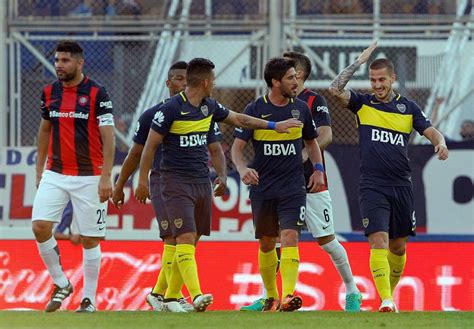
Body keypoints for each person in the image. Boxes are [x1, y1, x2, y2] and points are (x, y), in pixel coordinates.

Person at [135, 57, 302, 312]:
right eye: (213, 80)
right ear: (204, 81)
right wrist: (141, 180)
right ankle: (193, 295)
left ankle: (164, 295)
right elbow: (149, 147)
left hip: (200, 179)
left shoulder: (208, 106)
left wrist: (273, 126)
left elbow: (241, 120)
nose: (215, 83)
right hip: (174, 180)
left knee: (193, 238)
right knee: (185, 236)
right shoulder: (169, 109)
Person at [328, 42, 448, 312]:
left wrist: (440, 144)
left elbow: (431, 131)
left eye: (381, 80)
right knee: (377, 240)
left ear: (393, 79)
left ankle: (389, 296)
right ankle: (386, 299)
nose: (377, 85)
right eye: (372, 80)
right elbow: (334, 89)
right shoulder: (362, 103)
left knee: (398, 247)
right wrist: (358, 63)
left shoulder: (409, 108)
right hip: (372, 185)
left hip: (401, 186)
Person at [112, 61, 226, 312]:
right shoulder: (153, 114)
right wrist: (122, 184)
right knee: (174, 238)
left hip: (194, 179)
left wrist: (221, 174)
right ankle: (174, 297)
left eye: (186, 79)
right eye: (177, 78)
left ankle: (160, 294)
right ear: (167, 83)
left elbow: (215, 146)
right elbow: (137, 153)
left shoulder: (203, 111)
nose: (182, 83)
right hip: (164, 179)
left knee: (188, 240)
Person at [231, 57, 325, 312]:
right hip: (263, 187)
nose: (296, 82)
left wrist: (318, 170)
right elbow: (237, 150)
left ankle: (288, 295)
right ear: (275, 82)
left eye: (296, 77)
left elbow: (312, 143)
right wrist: (242, 169)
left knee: (291, 235)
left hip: (293, 186)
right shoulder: (254, 109)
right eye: (291, 78)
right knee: (266, 242)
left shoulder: (302, 109)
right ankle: (271, 297)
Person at [32, 40, 115, 313]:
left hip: (90, 176)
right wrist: (39, 169)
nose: (59, 65)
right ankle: (61, 283)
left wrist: (106, 177)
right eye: (57, 60)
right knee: (40, 227)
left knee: (90, 239)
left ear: (80, 63)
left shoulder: (97, 93)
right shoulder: (48, 92)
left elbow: (109, 137)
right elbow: (45, 131)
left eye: (65, 60)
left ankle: (88, 300)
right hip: (55, 172)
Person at [283, 51, 362, 311]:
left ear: (300, 74)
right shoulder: (276, 100)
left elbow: (326, 135)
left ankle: (352, 289)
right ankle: (274, 295)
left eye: (287, 69)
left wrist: (302, 156)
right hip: (281, 181)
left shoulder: (314, 100)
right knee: (273, 239)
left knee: (326, 240)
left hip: (311, 180)